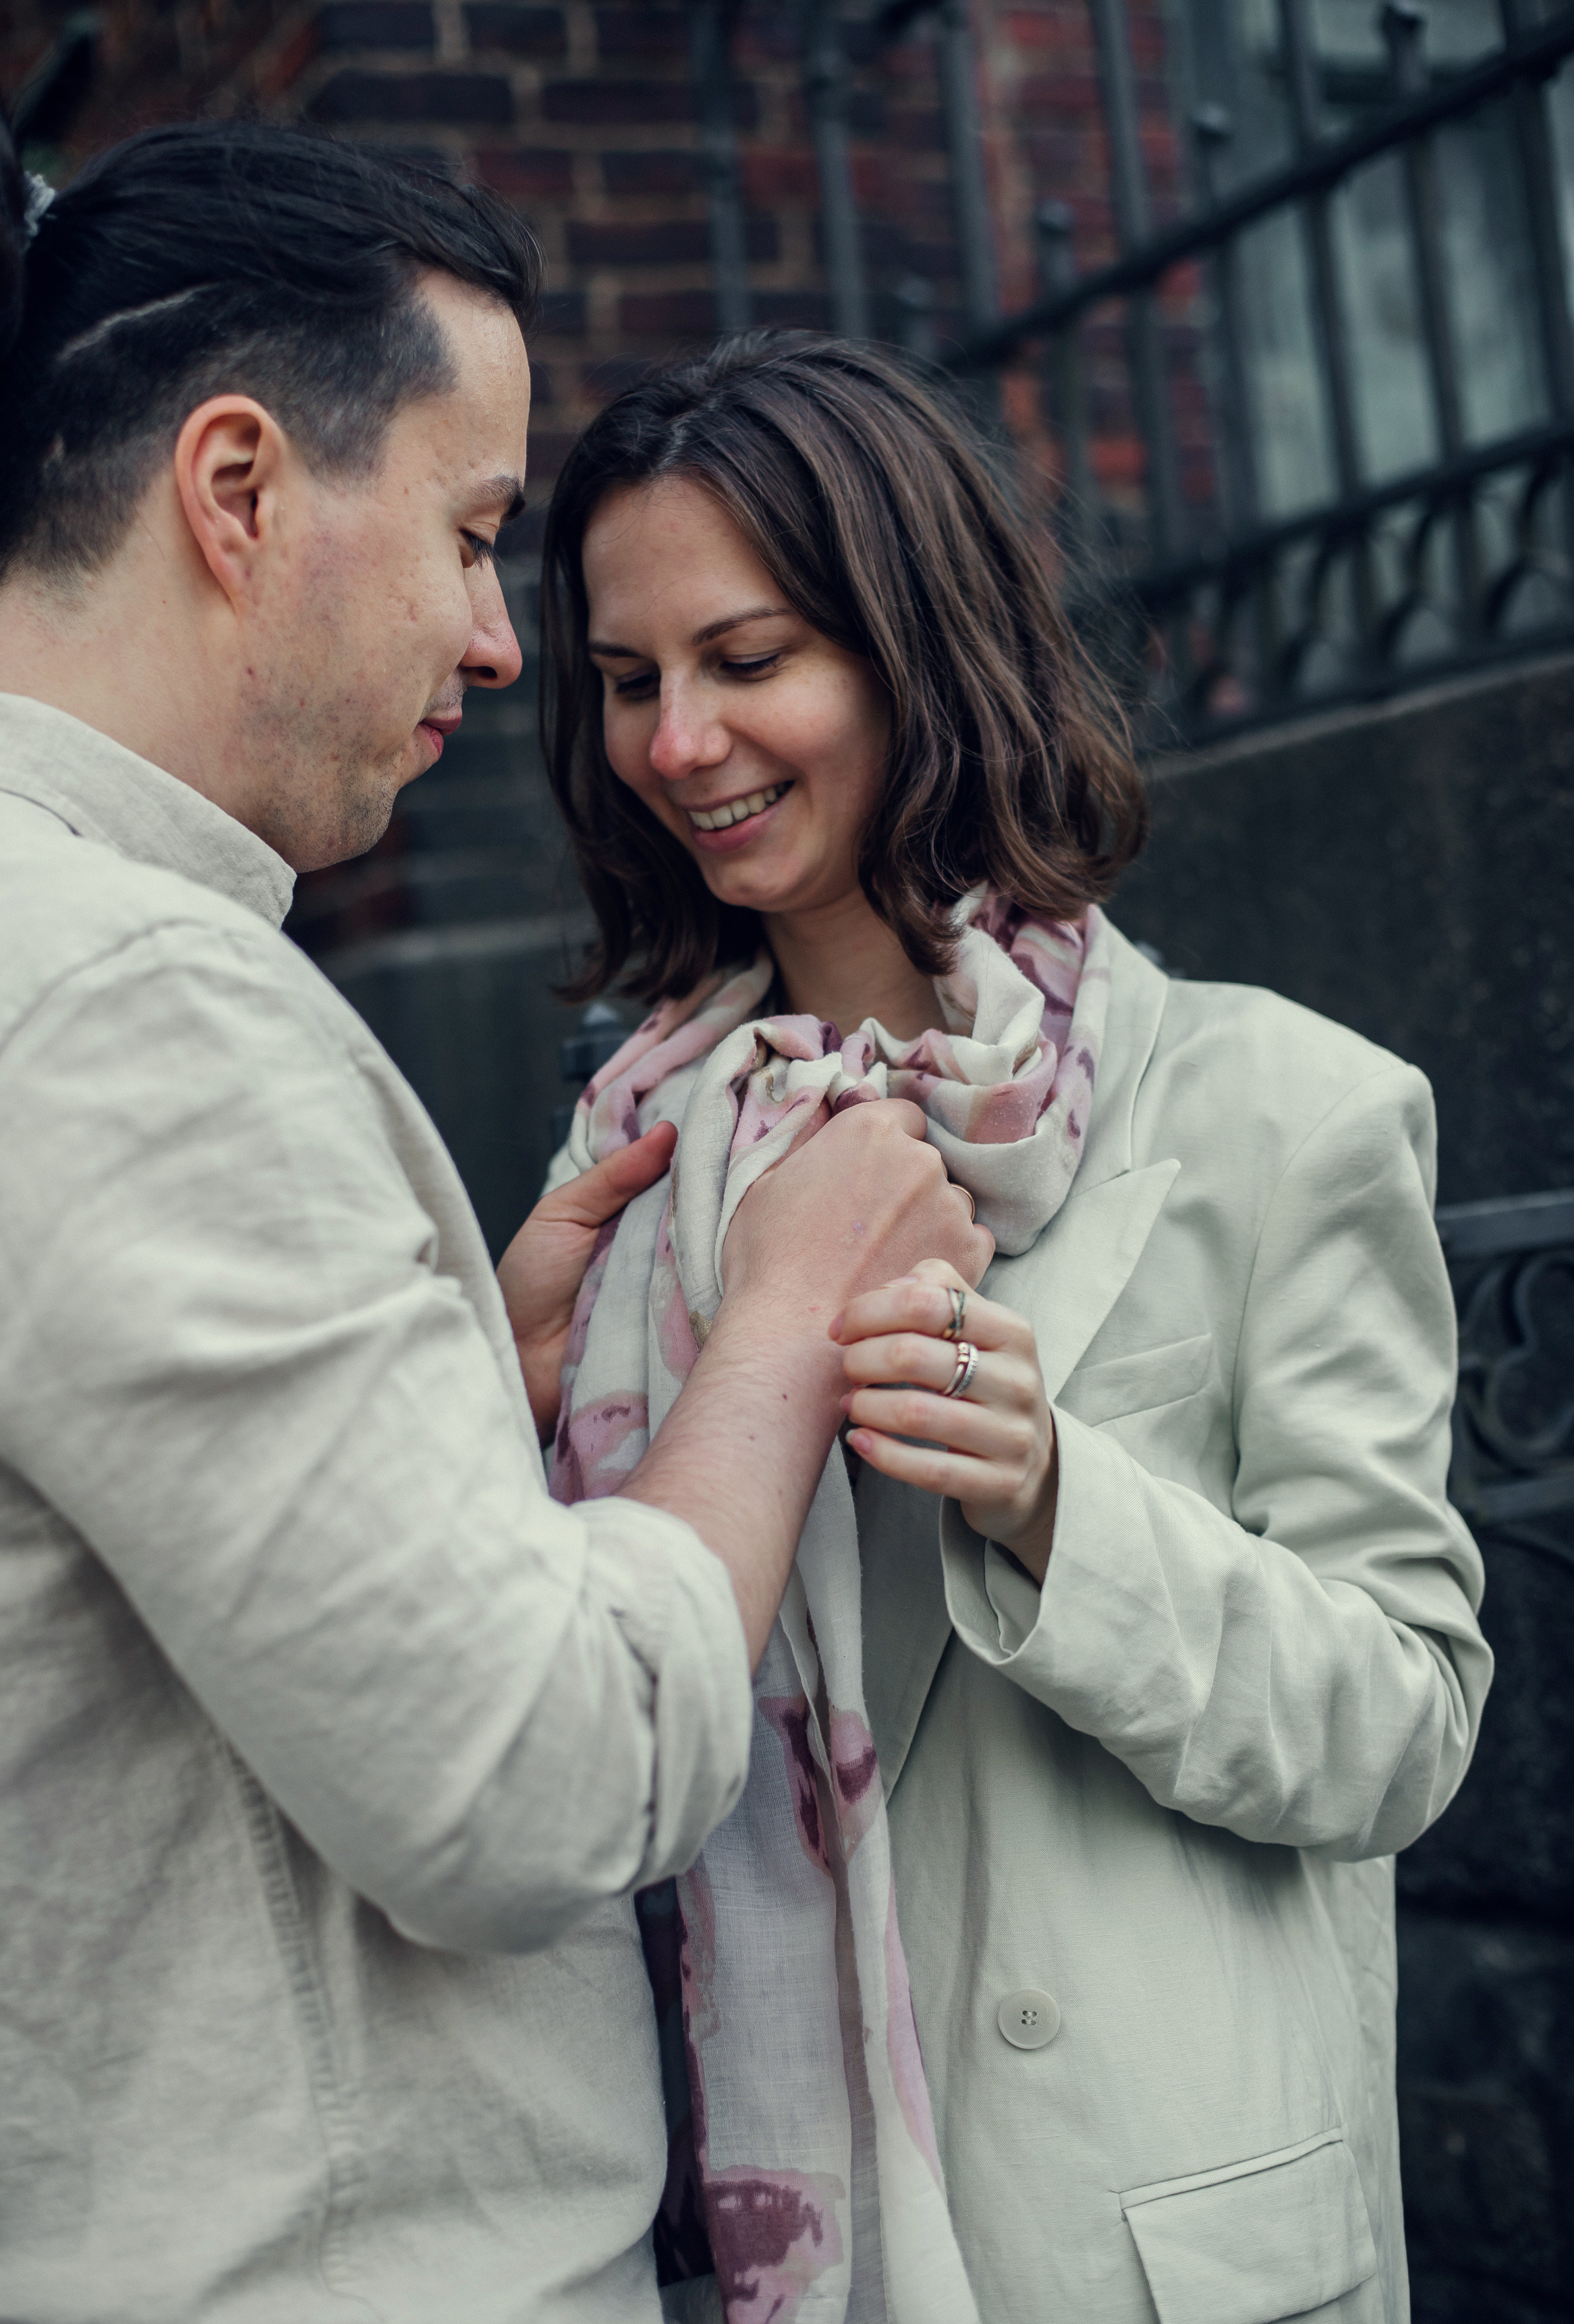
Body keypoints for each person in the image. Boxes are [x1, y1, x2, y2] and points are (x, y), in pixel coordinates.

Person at [0, 123, 988, 2321]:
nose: (497, 639)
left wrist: (466, 1386)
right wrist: (781, 1325)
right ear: (236, 490)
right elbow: (530, 1779)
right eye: (466, 532)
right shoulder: (128, 996)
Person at [538, 331, 1494, 2324]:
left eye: (749, 657)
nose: (679, 742)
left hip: (1144, 2245)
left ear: (915, 651)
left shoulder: (1278, 1109)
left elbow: (1404, 1721)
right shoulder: (629, 1163)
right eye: (631, 681)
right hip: (755, 2236)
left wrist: (1064, 1501)